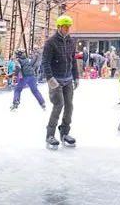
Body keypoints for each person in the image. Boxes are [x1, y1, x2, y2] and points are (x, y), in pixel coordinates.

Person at [42, 15, 80, 149]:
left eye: (69, 27)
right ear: (59, 27)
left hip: (68, 79)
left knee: (69, 106)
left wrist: (76, 76)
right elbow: (45, 62)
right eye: (65, 27)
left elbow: (73, 60)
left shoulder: (71, 41)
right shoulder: (51, 42)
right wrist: (50, 78)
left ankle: (64, 132)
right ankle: (50, 135)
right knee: (59, 105)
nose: (67, 29)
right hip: (56, 80)